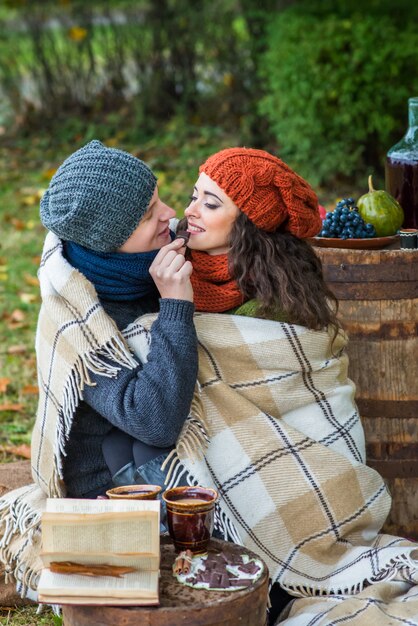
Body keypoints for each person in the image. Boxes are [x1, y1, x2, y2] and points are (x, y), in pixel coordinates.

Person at [103, 148, 418, 626]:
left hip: (291, 454)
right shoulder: (174, 268)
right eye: (193, 196)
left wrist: (176, 309)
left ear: (248, 222)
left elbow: (291, 385)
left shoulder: (276, 296)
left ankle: (271, 572)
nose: (189, 211)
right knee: (122, 441)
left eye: (211, 203)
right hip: (202, 454)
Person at [0, 139, 199, 598]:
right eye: (150, 214)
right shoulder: (79, 318)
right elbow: (155, 421)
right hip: (113, 491)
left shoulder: (134, 268)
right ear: (110, 244)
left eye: (159, 197)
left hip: (143, 454)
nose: (170, 214)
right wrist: (174, 305)